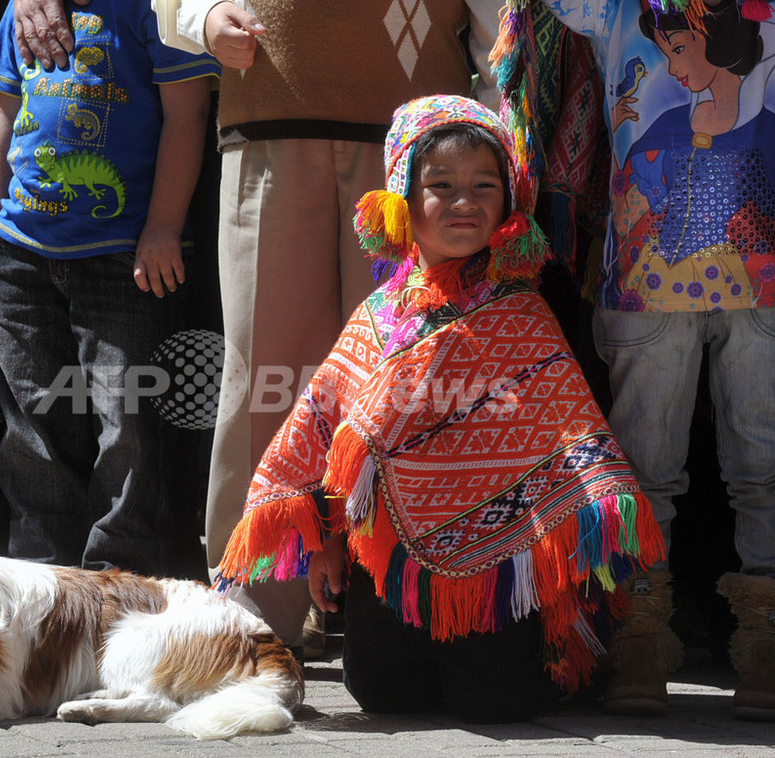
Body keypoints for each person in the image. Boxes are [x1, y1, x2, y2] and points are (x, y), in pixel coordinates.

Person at [12, 0, 506, 658]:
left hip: (421, 159)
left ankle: (399, 608)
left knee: (403, 389)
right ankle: (253, 614)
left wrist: (500, 141)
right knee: (267, 387)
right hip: (269, 136)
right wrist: (206, 18)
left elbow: (499, 29)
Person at [214, 94, 666, 721]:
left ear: (507, 201)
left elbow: (567, 435)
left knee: (496, 700)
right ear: (401, 198)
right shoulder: (374, 320)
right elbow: (325, 435)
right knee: (379, 691)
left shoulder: (521, 314)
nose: (464, 201)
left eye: (485, 184)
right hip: (389, 561)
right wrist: (326, 541)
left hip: (496, 561)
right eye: (441, 185)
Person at [498, 0, 775, 718]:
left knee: (764, 467)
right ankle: (638, 633)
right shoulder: (623, 6)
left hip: (763, 284)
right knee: (646, 471)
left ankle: (766, 640)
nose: (678, 63)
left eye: (685, 50)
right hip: (648, 282)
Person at [0, 0, 220, 576]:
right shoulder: (23, 11)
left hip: (126, 258)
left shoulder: (159, 10)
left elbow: (186, 116)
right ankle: (44, 578)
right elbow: (4, 109)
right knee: (33, 423)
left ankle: (124, 579)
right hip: (22, 253)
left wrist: (163, 224)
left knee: (128, 424)